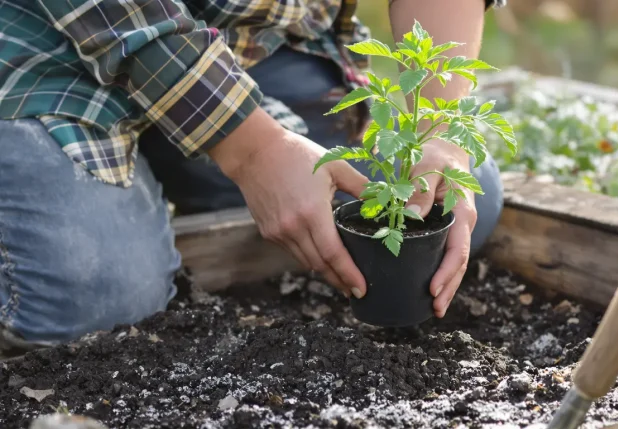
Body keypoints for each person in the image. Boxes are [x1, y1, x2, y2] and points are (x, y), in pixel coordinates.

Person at [0, 0, 507, 356]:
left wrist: (440, 126)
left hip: (239, 42)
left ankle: (175, 148)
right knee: (95, 303)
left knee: (460, 198)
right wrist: (254, 151)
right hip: (46, 45)